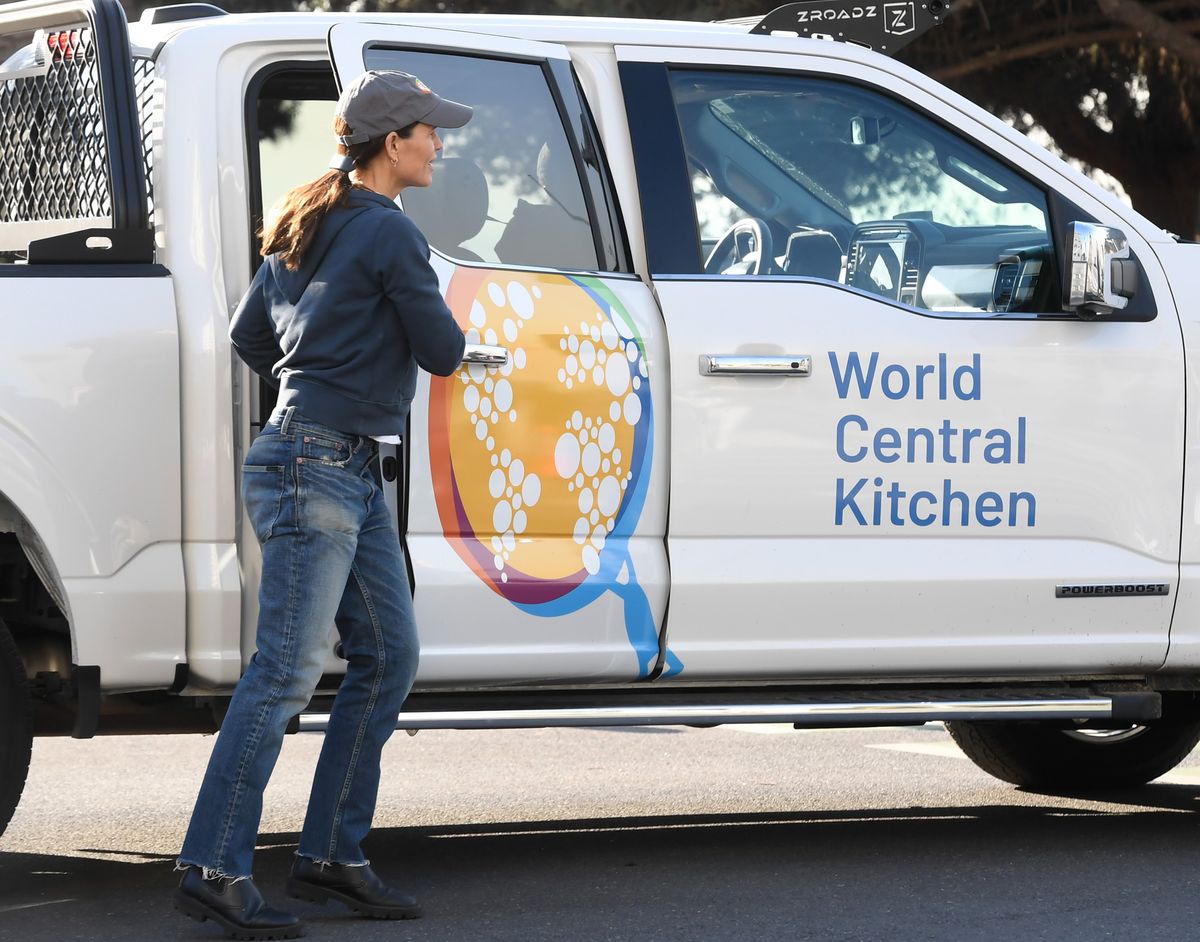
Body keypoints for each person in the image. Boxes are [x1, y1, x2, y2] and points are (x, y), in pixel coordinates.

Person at [173, 70, 471, 940]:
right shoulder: (387, 233)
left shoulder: (307, 224)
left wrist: (322, 382)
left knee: (387, 655)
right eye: (429, 132)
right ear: (393, 143)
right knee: (284, 674)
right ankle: (212, 867)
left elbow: (248, 337)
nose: (438, 145)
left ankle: (332, 856)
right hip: (319, 466)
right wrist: (340, 388)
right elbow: (445, 351)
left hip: (332, 461)